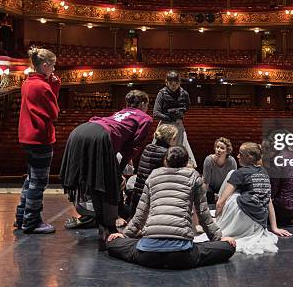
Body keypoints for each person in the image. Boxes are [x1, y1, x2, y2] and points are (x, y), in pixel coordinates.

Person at [107, 146, 237, 269]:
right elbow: (203, 214)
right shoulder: (194, 177)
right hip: (182, 255)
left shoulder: (153, 176)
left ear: (165, 161)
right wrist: (219, 239)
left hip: (148, 255)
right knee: (228, 247)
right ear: (186, 162)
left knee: (112, 242)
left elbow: (140, 214)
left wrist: (124, 235)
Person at [59, 90, 153, 250]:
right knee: (108, 184)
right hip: (99, 136)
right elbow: (133, 147)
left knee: (96, 182)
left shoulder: (120, 112)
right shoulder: (145, 118)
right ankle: (109, 228)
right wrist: (119, 171)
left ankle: (104, 226)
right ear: (144, 104)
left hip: (80, 131)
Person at [215, 142, 291, 255]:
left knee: (232, 181)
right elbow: (268, 200)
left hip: (242, 217)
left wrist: (217, 220)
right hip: (259, 221)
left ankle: (223, 221)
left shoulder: (239, 173)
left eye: (240, 154)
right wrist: (274, 227)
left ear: (249, 157)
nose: (238, 156)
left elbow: (221, 202)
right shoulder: (264, 172)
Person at [15, 47, 60, 234]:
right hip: (40, 137)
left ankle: (21, 217)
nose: (54, 69)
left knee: (31, 179)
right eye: (53, 65)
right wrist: (53, 87)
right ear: (44, 65)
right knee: (39, 182)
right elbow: (54, 112)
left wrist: (53, 85)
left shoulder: (27, 82)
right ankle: (31, 222)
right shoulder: (42, 86)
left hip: (27, 137)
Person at [130, 123, 178, 215]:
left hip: (137, 196)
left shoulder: (148, 147)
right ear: (171, 139)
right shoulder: (167, 153)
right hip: (152, 200)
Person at [153, 71, 197, 167]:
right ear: (166, 82)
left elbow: (187, 107)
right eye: (171, 83)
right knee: (161, 152)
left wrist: (179, 112)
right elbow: (156, 114)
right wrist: (170, 116)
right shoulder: (161, 93)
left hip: (178, 124)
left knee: (180, 151)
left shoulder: (184, 93)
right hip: (165, 125)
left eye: (176, 83)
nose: (173, 86)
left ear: (179, 82)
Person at [203, 137, 237, 204]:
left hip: (224, 189)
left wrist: (222, 195)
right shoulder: (209, 160)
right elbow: (205, 182)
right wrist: (202, 199)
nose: (218, 150)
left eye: (222, 148)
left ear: (227, 151)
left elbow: (233, 182)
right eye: (217, 147)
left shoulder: (231, 162)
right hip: (211, 190)